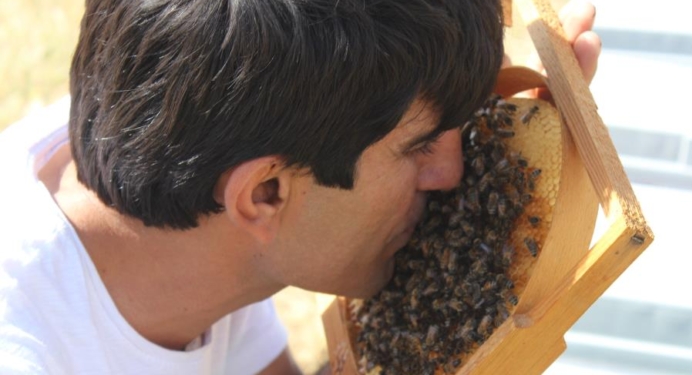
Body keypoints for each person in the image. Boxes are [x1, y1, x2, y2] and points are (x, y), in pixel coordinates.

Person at [0, 0, 600, 374]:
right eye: (420, 146)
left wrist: (517, 157)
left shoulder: (183, 141)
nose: (453, 173)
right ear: (265, 194)